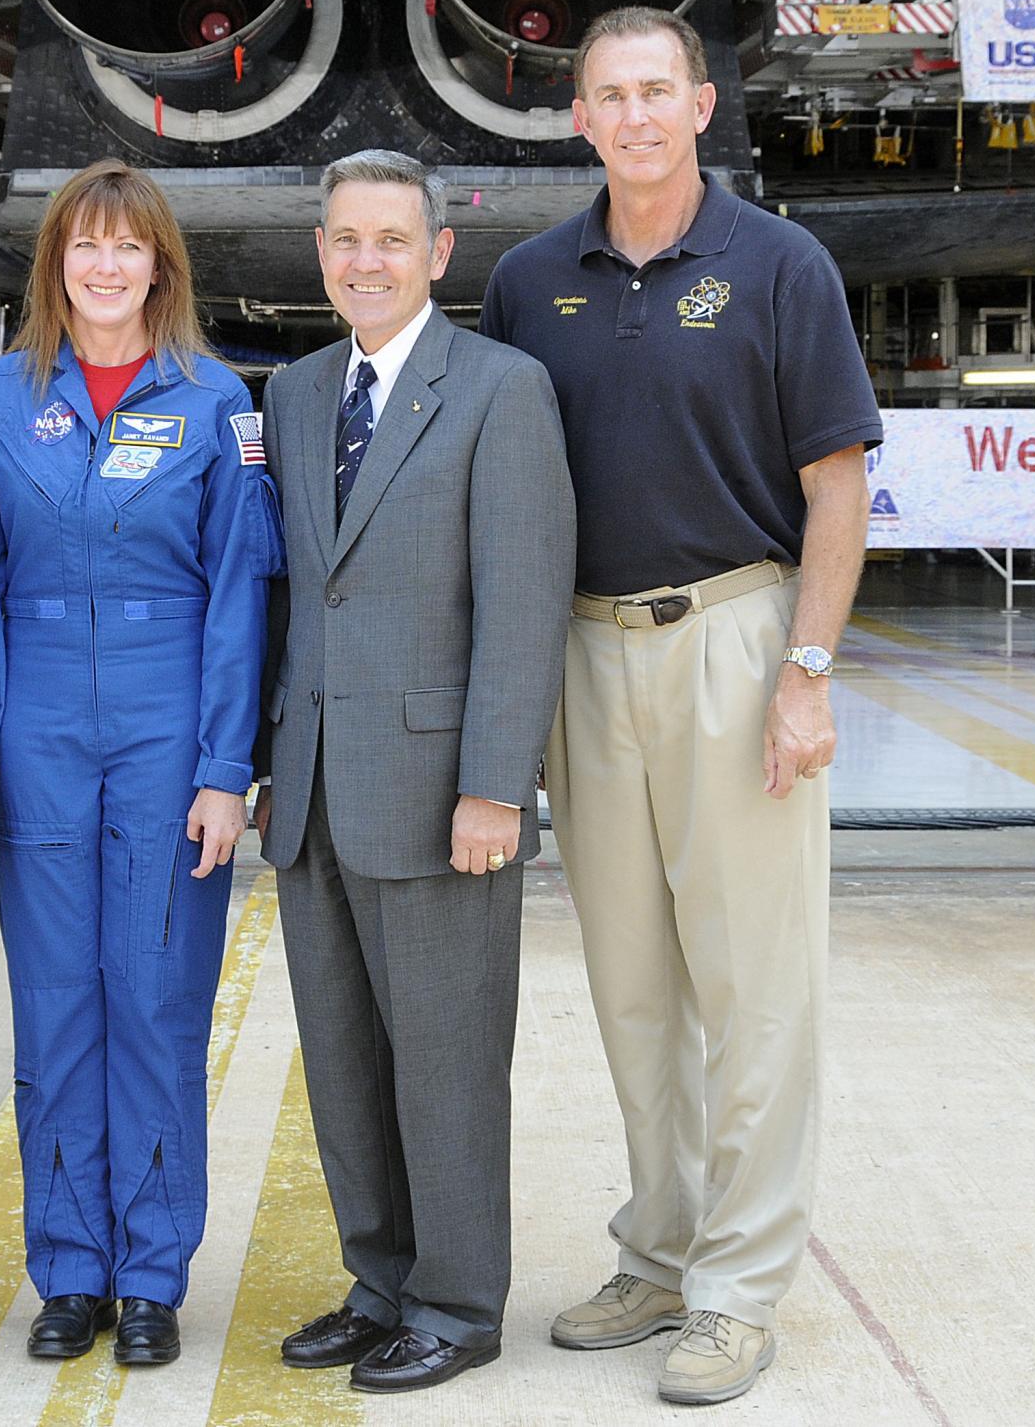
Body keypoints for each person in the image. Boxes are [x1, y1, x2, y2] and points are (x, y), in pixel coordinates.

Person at [480, 6, 879, 1408]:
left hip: (733, 632)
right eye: (610, 95)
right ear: (578, 118)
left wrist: (809, 671)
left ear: (701, 105)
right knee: (636, 984)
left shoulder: (781, 264)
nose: (636, 114)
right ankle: (659, 1242)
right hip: (586, 655)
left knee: (755, 984)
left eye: (659, 90)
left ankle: (739, 1284)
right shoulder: (531, 281)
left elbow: (838, 483)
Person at [0, 159, 281, 1368]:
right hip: (31, 723)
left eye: (126, 247)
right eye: (82, 245)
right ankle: (69, 1271)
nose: (103, 266)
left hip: (166, 717)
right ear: (55, 266)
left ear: (158, 266)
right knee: (54, 1008)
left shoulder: (213, 402)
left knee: (157, 1001)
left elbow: (241, 595)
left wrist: (223, 768)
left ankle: (149, 1274)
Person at [257, 149, 576, 1394]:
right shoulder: (291, 393)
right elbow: (297, 592)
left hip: (444, 791)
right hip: (317, 787)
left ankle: (455, 1300)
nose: (365, 262)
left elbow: (522, 597)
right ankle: (380, 1280)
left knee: (443, 1058)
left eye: (392, 240)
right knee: (341, 1057)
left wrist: (497, 783)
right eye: (344, 239)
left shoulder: (501, 389)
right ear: (321, 252)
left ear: (439, 255)